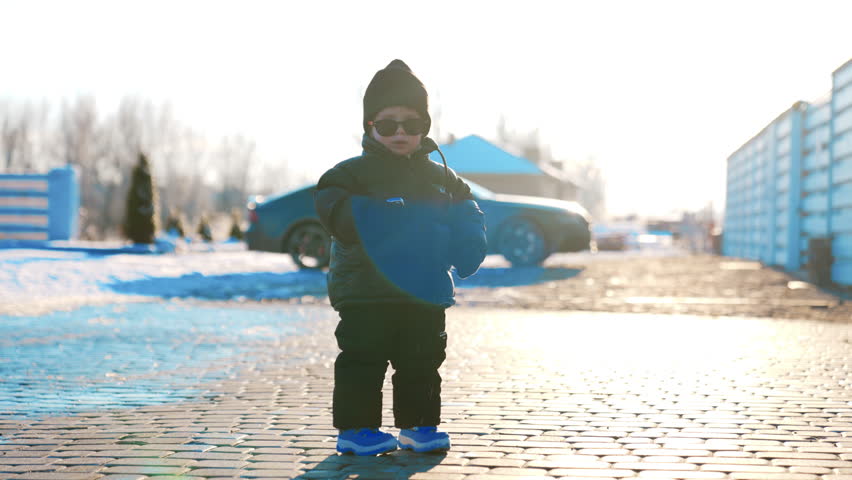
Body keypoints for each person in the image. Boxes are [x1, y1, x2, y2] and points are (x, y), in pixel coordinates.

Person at [314, 59, 487, 456]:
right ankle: (357, 429)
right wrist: (393, 215)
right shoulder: (349, 174)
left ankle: (418, 426)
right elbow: (334, 209)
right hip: (366, 290)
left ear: (425, 127)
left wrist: (466, 243)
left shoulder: (440, 176)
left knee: (422, 360)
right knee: (363, 358)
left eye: (411, 124)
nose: (400, 133)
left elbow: (467, 211)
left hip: (424, 290)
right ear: (369, 127)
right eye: (387, 124)